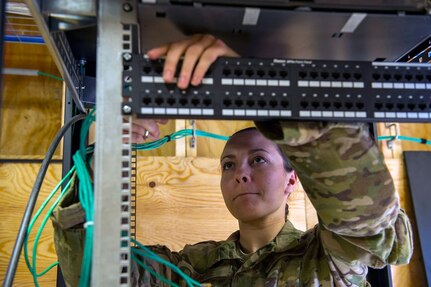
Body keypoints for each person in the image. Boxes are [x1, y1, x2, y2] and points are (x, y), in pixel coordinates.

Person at [53, 34, 413, 286]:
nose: (239, 173)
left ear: (292, 180)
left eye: (258, 160)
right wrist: (111, 150)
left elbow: (366, 217)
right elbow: (96, 273)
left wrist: (262, 85)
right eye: (228, 164)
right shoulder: (192, 268)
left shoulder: (329, 258)